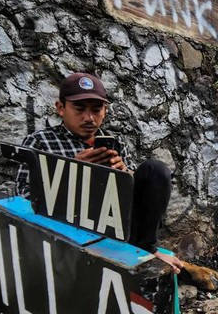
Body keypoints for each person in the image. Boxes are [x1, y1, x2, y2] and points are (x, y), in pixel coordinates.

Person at [15, 72, 183, 273]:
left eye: (96, 110)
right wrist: (71, 170)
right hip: (71, 229)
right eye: (79, 109)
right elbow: (22, 198)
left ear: (105, 111)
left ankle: (146, 248)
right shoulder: (40, 142)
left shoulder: (113, 142)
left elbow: (133, 196)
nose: (89, 118)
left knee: (156, 170)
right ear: (61, 108)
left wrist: (125, 174)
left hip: (117, 226)